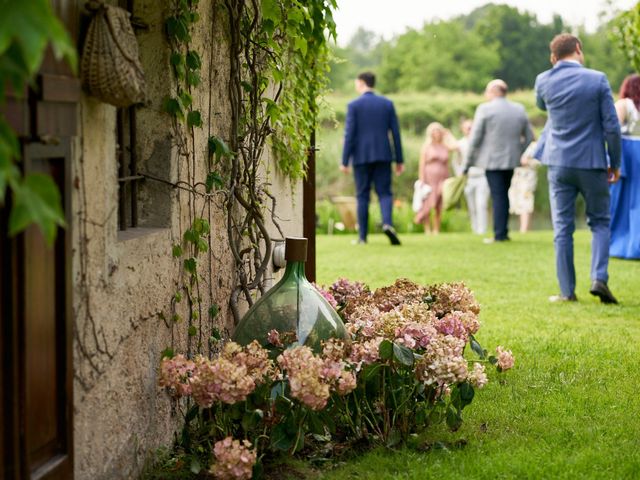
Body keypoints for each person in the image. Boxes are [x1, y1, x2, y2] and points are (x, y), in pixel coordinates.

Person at [534, 33, 621, 303]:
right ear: (579, 49)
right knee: (600, 222)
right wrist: (615, 163)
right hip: (592, 161)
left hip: (558, 163)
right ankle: (598, 278)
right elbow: (612, 126)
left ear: (554, 57)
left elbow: (541, 105)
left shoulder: (543, 80)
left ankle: (566, 292)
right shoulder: (597, 79)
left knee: (562, 228)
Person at [465, 79, 534, 243]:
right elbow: (530, 136)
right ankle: (502, 231)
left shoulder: (484, 109)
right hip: (511, 160)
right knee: (503, 194)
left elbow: (475, 138)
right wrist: (519, 151)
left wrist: (466, 164)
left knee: (498, 195)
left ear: (493, 92)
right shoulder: (519, 109)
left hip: (491, 161)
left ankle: (500, 234)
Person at [341, 71, 404, 245]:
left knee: (362, 195)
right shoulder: (387, 104)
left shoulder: (354, 105)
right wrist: (399, 159)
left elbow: (349, 134)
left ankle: (362, 237)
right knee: (385, 193)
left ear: (361, 82)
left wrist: (344, 160)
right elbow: (396, 134)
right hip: (384, 155)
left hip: (361, 157)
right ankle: (387, 224)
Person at [609, 73, 640, 259]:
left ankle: (621, 244)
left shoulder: (624, 104)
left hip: (627, 154)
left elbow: (612, 128)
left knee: (620, 202)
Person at [414, 122, 457, 234]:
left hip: (442, 178)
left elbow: (456, 147)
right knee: (428, 203)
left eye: (438, 131)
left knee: (438, 203)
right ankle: (427, 228)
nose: (436, 133)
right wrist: (422, 179)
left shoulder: (445, 146)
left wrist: (449, 134)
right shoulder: (427, 147)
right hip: (429, 178)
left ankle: (436, 229)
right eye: (434, 131)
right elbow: (422, 164)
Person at [458, 119, 490, 235]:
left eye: (471, 127)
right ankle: (475, 228)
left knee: (481, 204)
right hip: (468, 178)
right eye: (467, 127)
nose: (469, 130)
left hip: (481, 177)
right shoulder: (461, 143)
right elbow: (457, 161)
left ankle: (482, 229)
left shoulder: (482, 142)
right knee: (472, 206)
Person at [508, 140, 541, 233]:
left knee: (526, 201)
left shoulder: (534, 145)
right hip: (516, 177)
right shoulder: (514, 142)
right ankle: (522, 228)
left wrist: (528, 162)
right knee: (517, 202)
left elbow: (540, 160)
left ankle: (524, 229)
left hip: (527, 177)